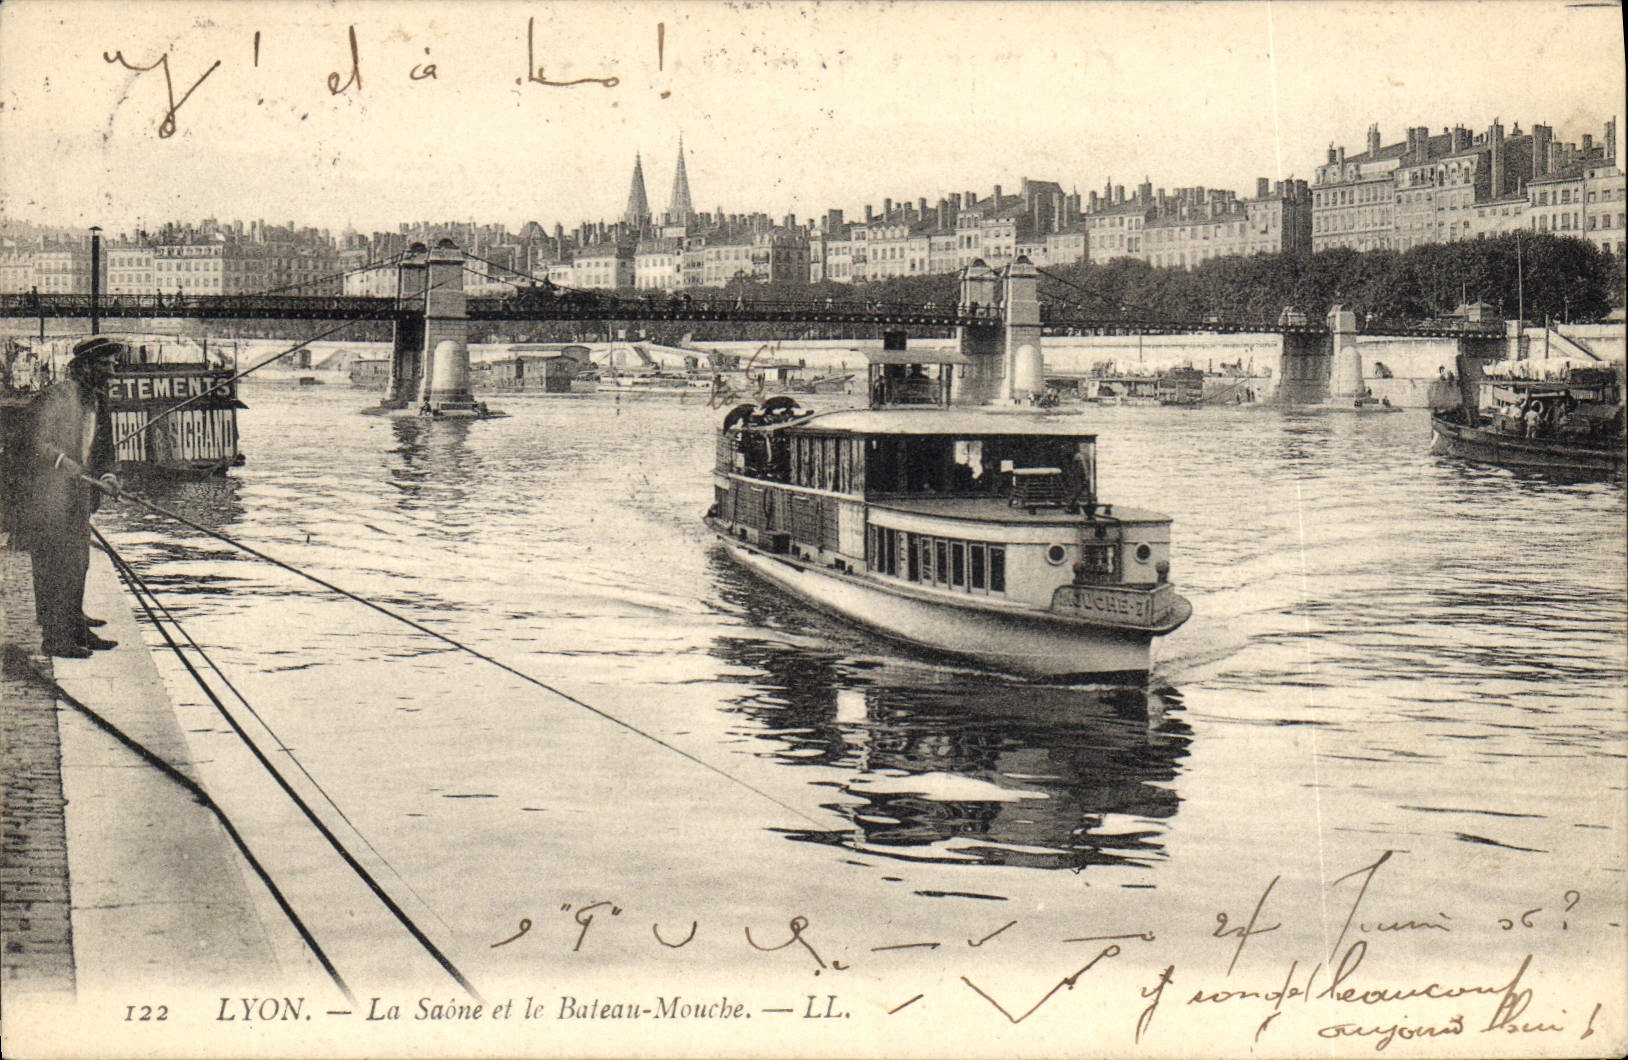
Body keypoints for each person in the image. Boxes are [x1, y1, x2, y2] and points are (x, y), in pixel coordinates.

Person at [2, 336, 125, 658]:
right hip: (47, 497)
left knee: (78, 564)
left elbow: (103, 450)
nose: (112, 370)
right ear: (85, 367)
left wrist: (108, 476)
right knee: (55, 567)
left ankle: (76, 628)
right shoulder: (56, 397)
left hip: (78, 496)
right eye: (105, 365)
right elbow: (30, 442)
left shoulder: (98, 399)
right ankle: (56, 640)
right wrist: (61, 461)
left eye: (113, 364)